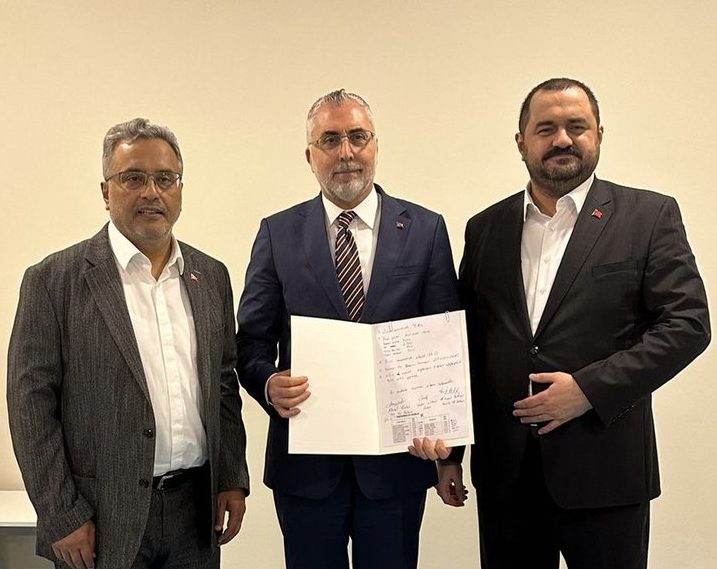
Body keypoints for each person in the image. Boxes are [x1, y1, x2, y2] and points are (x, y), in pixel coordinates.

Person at [413, 77, 711, 568]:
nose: (563, 139)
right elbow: (464, 346)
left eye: (577, 126)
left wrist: (588, 390)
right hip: (507, 477)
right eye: (546, 128)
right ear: (521, 142)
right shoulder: (485, 228)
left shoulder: (649, 215)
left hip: (606, 473)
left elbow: (688, 324)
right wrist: (452, 454)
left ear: (599, 134)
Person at [7, 118, 250, 569]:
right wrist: (61, 514)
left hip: (195, 513)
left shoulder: (211, 276)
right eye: (133, 178)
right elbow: (30, 408)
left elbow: (223, 384)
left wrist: (231, 477)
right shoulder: (53, 281)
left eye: (165, 179)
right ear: (106, 192)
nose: (151, 192)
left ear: (180, 188)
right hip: (99, 517)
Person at [236, 89, 460, 569]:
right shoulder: (277, 232)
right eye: (330, 140)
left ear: (375, 145)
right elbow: (251, 342)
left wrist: (450, 454)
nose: (345, 152)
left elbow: (444, 347)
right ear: (310, 156)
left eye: (357, 137)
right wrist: (268, 383)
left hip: (399, 465)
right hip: (306, 470)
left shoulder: (426, 230)